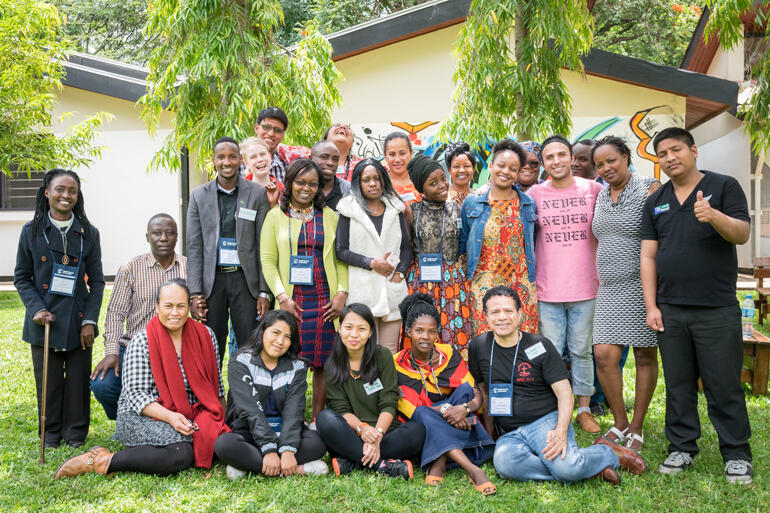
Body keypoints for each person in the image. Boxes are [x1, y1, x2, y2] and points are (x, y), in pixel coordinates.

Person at [641, 127, 753, 483]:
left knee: (723, 384)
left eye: (676, 150)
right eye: (663, 154)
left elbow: (742, 233)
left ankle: (736, 453)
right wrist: (651, 306)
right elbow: (648, 254)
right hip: (670, 308)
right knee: (678, 383)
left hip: (715, 307)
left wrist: (713, 216)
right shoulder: (656, 199)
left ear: (693, 150)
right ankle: (682, 447)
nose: (670, 158)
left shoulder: (723, 187)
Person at [467, 286, 646, 485]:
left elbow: (565, 394)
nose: (502, 317)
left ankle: (607, 453)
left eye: (508, 311)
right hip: (510, 433)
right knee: (505, 464)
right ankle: (588, 468)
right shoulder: (478, 346)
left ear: (520, 313)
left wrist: (560, 431)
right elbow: (484, 390)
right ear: (485, 316)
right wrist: (490, 429)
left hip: (545, 422)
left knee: (566, 468)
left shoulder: (540, 345)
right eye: (495, 312)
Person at [54, 279, 229, 478]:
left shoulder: (206, 336)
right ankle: (100, 460)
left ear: (189, 306)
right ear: (157, 307)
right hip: (141, 415)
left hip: (191, 413)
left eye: (181, 306)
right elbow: (136, 396)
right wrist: (171, 417)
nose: (175, 313)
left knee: (217, 441)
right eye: (168, 306)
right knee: (182, 452)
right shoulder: (142, 341)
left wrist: (220, 421)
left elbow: (216, 387)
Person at [14, 169, 104, 449]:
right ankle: (50, 433)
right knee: (49, 381)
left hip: (78, 321)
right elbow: (21, 277)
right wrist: (36, 310)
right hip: (44, 321)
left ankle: (75, 433)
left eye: (72, 191)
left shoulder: (89, 233)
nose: (66, 196)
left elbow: (98, 282)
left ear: (78, 195)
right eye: (60, 190)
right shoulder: (31, 231)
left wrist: (90, 320)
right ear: (47, 192)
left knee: (78, 382)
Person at [527, 135, 605, 434]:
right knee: (551, 352)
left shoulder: (593, 190)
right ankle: (555, 407)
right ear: (543, 163)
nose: (557, 161)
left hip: (586, 286)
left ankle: (584, 409)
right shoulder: (534, 194)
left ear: (571, 157)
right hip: (548, 288)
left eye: (562, 155)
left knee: (582, 351)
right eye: (550, 157)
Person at [260, 158, 349, 421]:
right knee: (288, 361)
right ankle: (290, 417)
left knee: (323, 362)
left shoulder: (330, 217)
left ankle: (317, 419)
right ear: (289, 183)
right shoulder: (275, 217)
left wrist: (341, 293)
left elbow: (340, 259)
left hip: (324, 299)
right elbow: (268, 261)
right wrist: (282, 297)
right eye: (300, 182)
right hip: (292, 300)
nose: (306, 188)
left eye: (312, 184)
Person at [589, 136, 661, 451]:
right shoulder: (601, 195)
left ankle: (637, 426)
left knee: (645, 353)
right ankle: (619, 422)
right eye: (600, 164)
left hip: (642, 284)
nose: (606, 168)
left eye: (611, 161)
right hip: (609, 288)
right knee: (604, 354)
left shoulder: (650, 187)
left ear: (626, 157)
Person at [393, 294, 495, 494]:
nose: (425, 337)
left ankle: (439, 460)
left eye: (431, 331)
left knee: (464, 390)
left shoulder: (448, 354)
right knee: (423, 412)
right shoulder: (397, 363)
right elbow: (412, 409)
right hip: (422, 421)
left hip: (452, 413)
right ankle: (473, 470)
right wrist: (452, 412)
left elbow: (475, 393)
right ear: (408, 332)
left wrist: (464, 409)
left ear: (437, 333)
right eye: (419, 331)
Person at [90, 214, 186, 420]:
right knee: (103, 385)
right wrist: (112, 352)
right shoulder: (130, 269)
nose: (163, 238)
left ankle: (165, 419)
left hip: (177, 349)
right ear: (147, 237)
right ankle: (129, 420)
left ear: (177, 237)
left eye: (169, 233)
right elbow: (116, 314)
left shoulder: (190, 267)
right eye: (157, 233)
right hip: (134, 347)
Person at [215, 310, 328, 479]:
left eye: (288, 337)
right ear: (262, 331)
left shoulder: (296, 367)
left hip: (285, 430)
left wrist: (288, 449)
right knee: (224, 444)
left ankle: (250, 467)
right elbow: (251, 410)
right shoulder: (241, 361)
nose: (280, 341)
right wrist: (268, 449)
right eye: (275, 332)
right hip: (251, 431)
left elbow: (294, 410)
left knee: (318, 443)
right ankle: (298, 469)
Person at [187, 137, 271, 365]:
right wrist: (194, 293)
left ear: (240, 160)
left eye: (232, 156)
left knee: (249, 346)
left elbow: (265, 245)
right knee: (209, 346)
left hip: (246, 281)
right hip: (212, 282)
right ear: (213, 161)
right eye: (221, 157)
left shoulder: (256, 194)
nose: (227, 162)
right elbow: (194, 247)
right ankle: (212, 399)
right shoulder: (198, 195)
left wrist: (264, 291)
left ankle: (242, 399)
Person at [316, 304, 425, 479]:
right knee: (325, 419)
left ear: (371, 332)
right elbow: (340, 408)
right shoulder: (332, 364)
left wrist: (377, 436)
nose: (354, 334)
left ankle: (352, 460)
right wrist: (362, 429)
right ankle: (382, 466)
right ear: (339, 328)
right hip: (351, 433)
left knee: (417, 430)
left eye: (361, 329)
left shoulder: (382, 356)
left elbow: (389, 401)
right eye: (348, 327)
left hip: (385, 432)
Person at [460, 139, 538, 336]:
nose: (506, 171)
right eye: (501, 165)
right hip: (483, 285)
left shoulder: (528, 203)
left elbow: (531, 243)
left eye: (513, 168)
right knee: (485, 343)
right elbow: (463, 243)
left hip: (520, 285)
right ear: (490, 165)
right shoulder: (472, 203)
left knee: (522, 341)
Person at [335, 158, 412, 354]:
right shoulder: (348, 209)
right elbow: (341, 250)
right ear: (358, 183)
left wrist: (401, 273)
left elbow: (405, 248)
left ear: (383, 180)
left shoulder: (396, 208)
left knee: (390, 351)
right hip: (363, 289)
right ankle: (368, 386)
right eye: (366, 179)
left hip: (391, 287)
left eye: (377, 178)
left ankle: (388, 386)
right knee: (366, 350)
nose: (372, 184)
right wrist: (371, 263)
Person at [404, 154, 473, 356]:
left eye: (443, 179)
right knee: (422, 336)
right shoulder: (410, 211)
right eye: (433, 183)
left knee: (455, 334)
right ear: (421, 189)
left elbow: (463, 244)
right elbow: (406, 246)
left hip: (453, 282)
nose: (442, 185)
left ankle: (456, 382)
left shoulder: (457, 209)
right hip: (421, 282)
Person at [241, 136, 282, 207]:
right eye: (253, 157)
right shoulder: (241, 191)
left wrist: (273, 204)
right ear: (246, 163)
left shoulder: (282, 190)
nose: (260, 159)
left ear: (269, 156)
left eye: (263, 154)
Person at [311, 140, 351, 212]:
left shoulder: (349, 191)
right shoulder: (301, 188)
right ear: (311, 159)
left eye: (335, 159)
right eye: (324, 157)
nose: (330, 163)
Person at [383, 132, 419, 204]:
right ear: (385, 156)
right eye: (392, 154)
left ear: (411, 153)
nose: (397, 160)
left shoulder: (422, 181)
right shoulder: (380, 184)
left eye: (402, 153)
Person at [444, 141, 476, 208]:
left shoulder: (479, 198)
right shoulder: (443, 198)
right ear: (449, 170)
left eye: (466, 166)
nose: (462, 170)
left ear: (473, 169)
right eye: (456, 166)